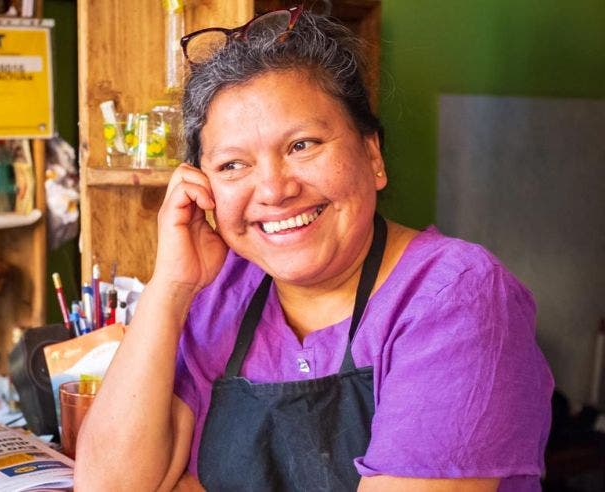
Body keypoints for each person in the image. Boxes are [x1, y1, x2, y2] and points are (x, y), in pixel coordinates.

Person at [75, 6, 553, 492]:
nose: (274, 190)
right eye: (233, 166)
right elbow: (106, 486)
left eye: (302, 145)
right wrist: (169, 288)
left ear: (372, 155)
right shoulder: (219, 297)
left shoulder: (456, 296)